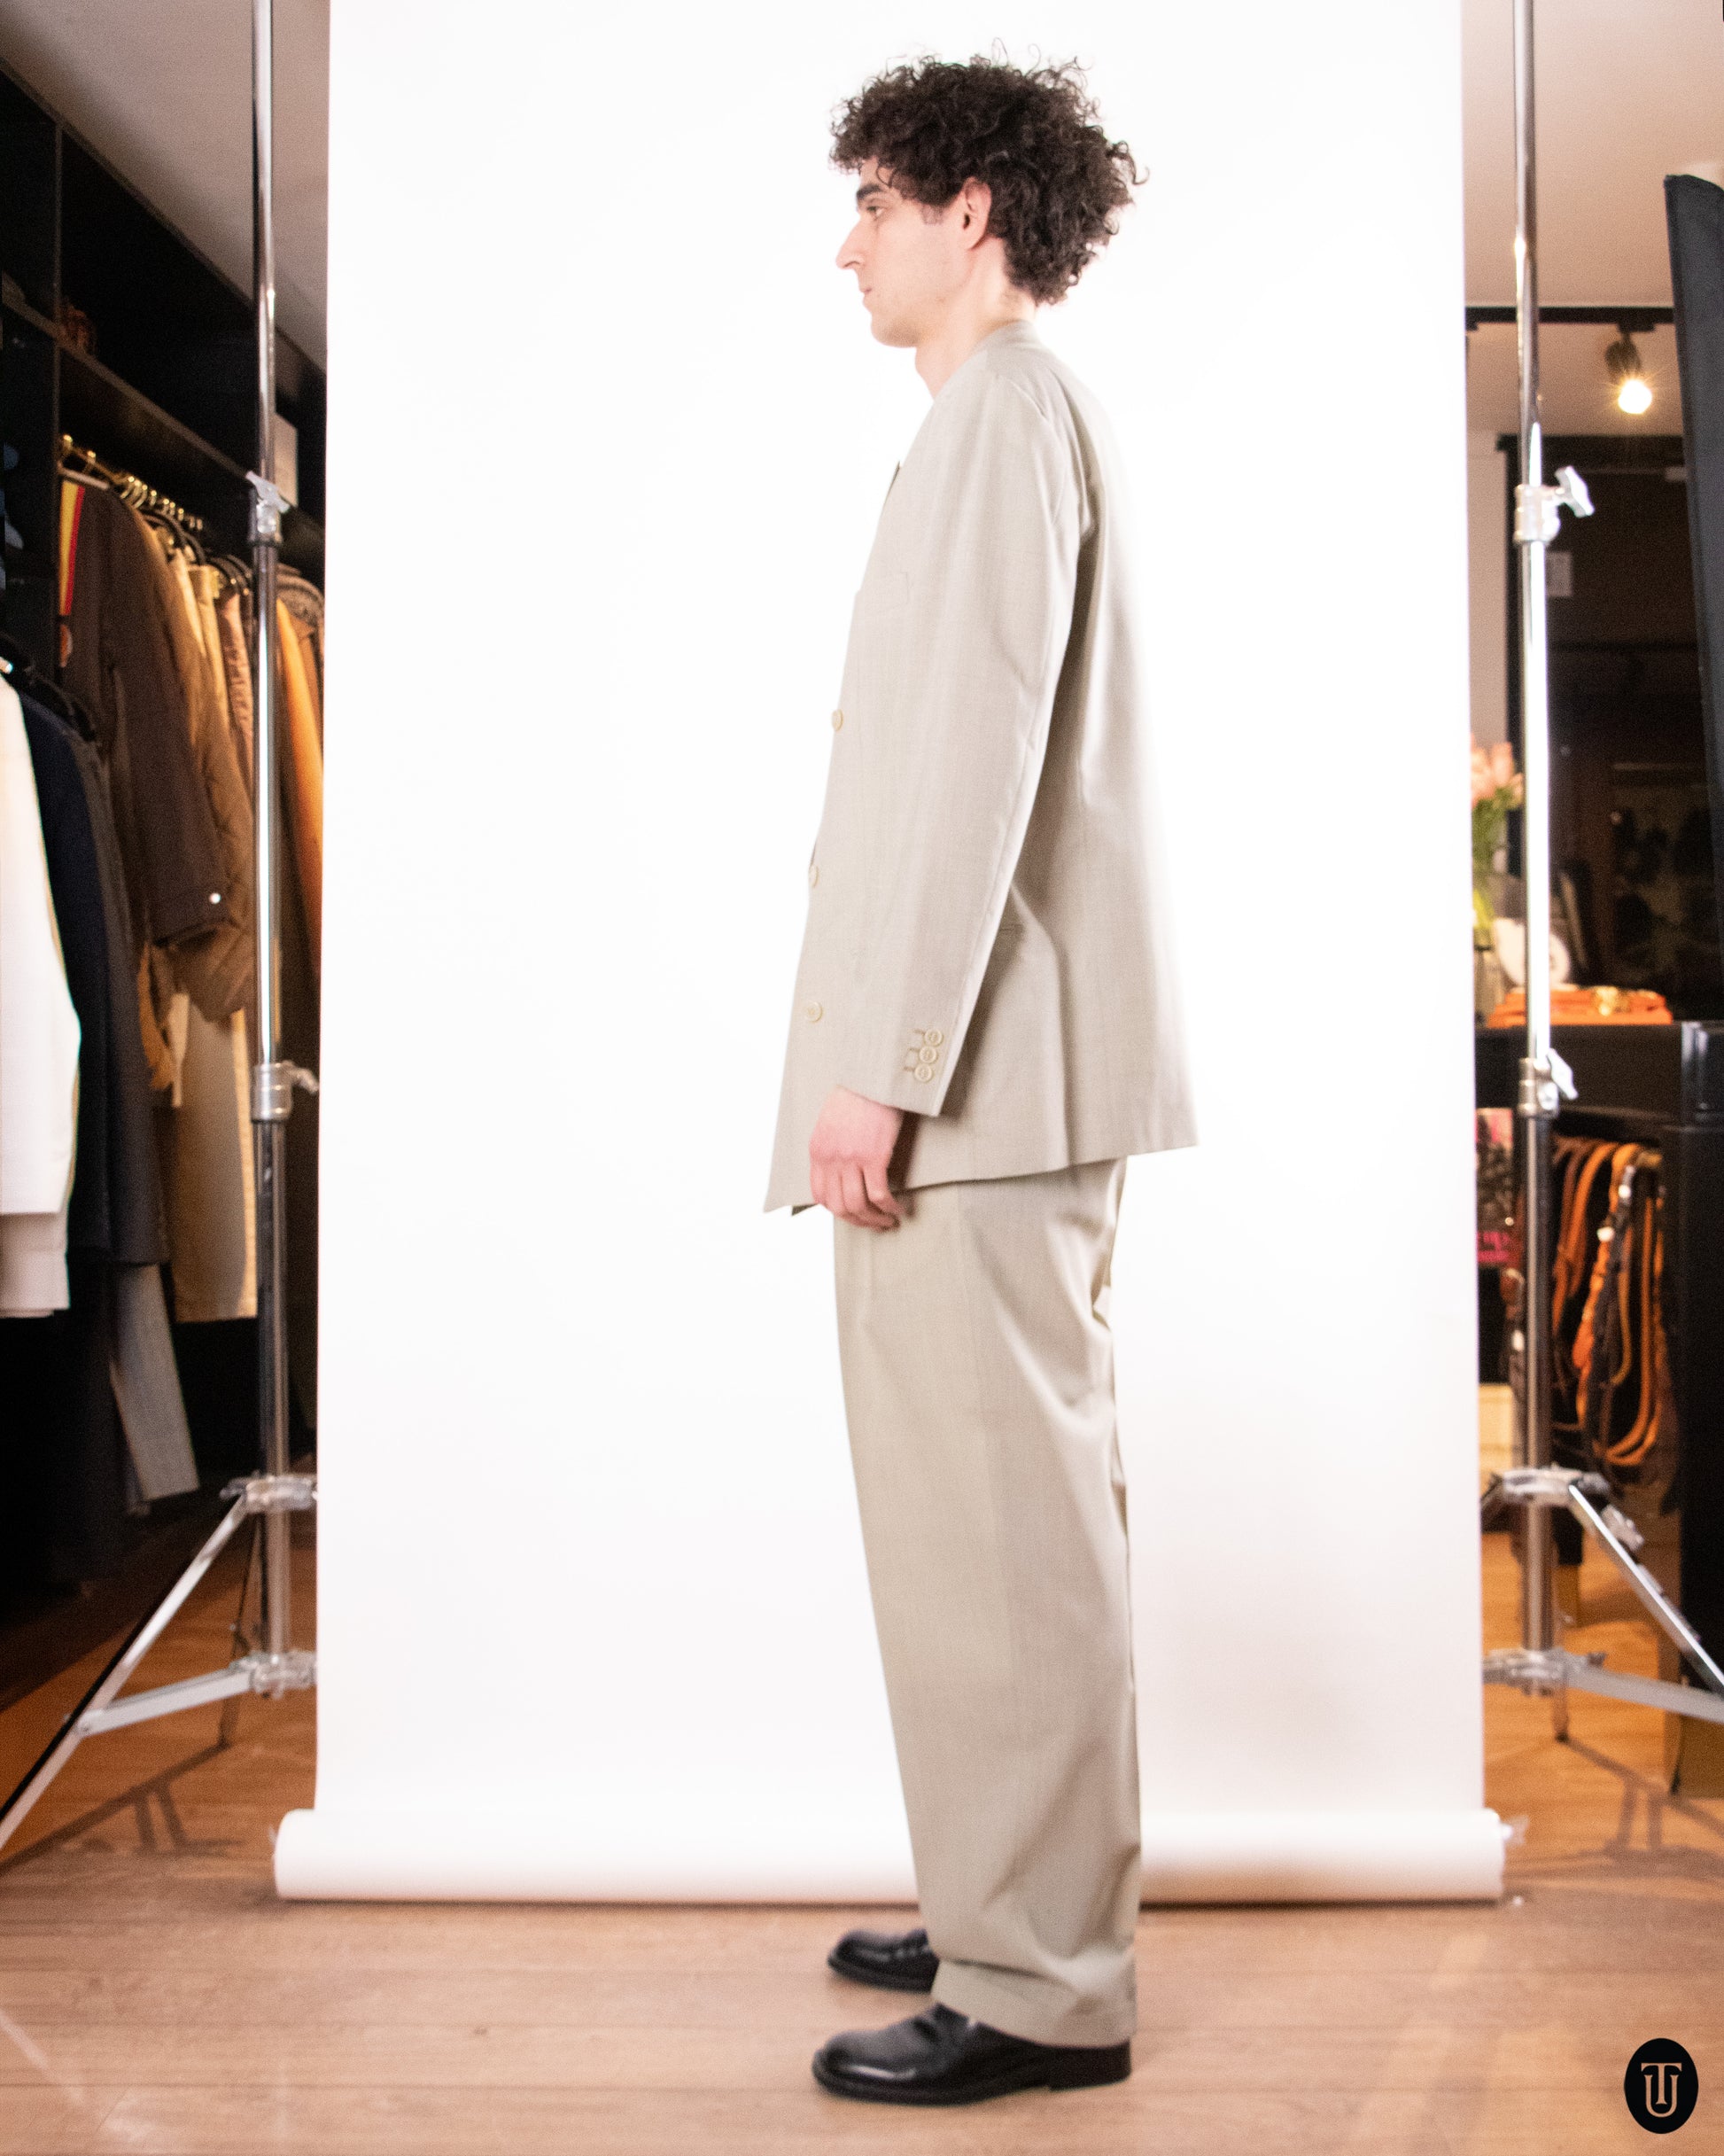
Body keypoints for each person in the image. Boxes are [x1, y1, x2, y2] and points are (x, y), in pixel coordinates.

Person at [764, 54, 1195, 2108]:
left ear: (971, 213)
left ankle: (1038, 1985)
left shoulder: (1008, 416)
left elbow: (969, 773)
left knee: (1007, 1539)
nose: (845, 244)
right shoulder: (988, 424)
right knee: (982, 1528)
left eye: (873, 200)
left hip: (984, 1089)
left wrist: (885, 1071)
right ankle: (997, 1900)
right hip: (995, 1080)